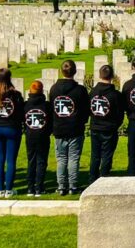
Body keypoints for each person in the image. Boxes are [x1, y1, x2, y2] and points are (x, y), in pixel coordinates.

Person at [50, 59, 89, 195]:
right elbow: (85, 110)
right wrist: (82, 121)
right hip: (75, 128)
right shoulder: (80, 90)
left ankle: (61, 186)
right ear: (75, 72)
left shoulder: (54, 89)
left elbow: (52, 108)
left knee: (61, 158)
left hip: (59, 127)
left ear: (62, 71)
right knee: (73, 158)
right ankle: (73, 186)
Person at [87, 64, 124, 183]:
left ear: (99, 75)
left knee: (95, 155)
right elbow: (120, 114)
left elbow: (89, 109)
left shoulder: (92, 92)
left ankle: (93, 178)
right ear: (112, 76)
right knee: (107, 155)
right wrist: (115, 125)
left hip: (96, 127)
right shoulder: (116, 95)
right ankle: (104, 179)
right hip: (109, 128)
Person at [0, 67, 24, 197]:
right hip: (12, 128)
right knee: (10, 160)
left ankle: (0, 190)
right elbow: (20, 112)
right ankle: (9, 190)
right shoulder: (15, 94)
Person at [23, 81, 52, 196]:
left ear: (30, 91)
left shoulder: (26, 105)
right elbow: (50, 121)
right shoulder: (47, 105)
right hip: (43, 135)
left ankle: (30, 188)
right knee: (41, 161)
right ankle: (39, 187)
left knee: (31, 161)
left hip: (30, 135)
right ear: (42, 91)